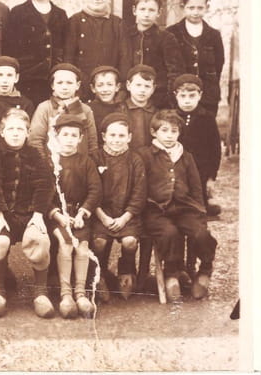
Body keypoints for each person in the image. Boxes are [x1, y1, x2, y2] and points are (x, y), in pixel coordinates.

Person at [0, 109, 56, 318]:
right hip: (3, 215)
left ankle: (40, 293)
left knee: (41, 241)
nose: (15, 133)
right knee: (0, 241)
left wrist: (38, 215)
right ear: (2, 132)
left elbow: (45, 184)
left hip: (29, 214)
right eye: (11, 129)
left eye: (20, 129)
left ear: (28, 132)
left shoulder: (35, 155)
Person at [138, 109, 217, 302]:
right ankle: (171, 273)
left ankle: (205, 269)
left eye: (174, 131)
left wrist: (200, 214)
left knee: (201, 233)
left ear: (179, 133)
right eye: (164, 131)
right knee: (169, 233)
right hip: (156, 210)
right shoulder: (145, 155)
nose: (169, 136)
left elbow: (196, 188)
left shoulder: (186, 156)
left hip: (184, 208)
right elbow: (139, 187)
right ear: (154, 132)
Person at [47, 114, 102, 319]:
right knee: (66, 244)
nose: (69, 139)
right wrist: (57, 214)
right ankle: (66, 294)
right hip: (57, 216)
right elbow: (42, 193)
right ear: (56, 136)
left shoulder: (86, 162)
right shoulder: (50, 162)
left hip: (79, 215)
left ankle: (80, 292)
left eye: (74, 135)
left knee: (82, 247)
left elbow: (95, 190)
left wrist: (82, 212)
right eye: (65, 134)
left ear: (80, 138)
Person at [91, 112, 146, 301]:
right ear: (104, 136)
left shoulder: (135, 160)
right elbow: (90, 192)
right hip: (100, 215)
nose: (116, 139)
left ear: (129, 137)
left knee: (130, 241)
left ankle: (126, 271)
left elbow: (139, 194)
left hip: (126, 216)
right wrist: (103, 217)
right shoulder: (95, 158)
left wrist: (125, 218)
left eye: (121, 135)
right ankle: (100, 274)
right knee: (99, 242)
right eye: (112, 135)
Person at [6, 0, 68, 106]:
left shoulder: (60, 14)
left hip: (53, 79)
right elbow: (9, 48)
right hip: (27, 79)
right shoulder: (18, 13)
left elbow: (64, 46)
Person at [63, 0, 126, 101]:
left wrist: (122, 89)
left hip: (108, 88)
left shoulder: (117, 23)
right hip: (81, 87)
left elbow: (124, 57)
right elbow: (68, 56)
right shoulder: (75, 21)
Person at [120, 0, 184, 108]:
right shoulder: (124, 35)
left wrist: (168, 98)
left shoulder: (166, 38)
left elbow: (174, 72)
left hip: (157, 99)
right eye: (142, 9)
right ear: (134, 10)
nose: (146, 14)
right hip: (127, 98)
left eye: (151, 10)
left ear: (159, 12)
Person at [166, 0, 225, 116]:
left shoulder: (214, 35)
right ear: (183, 7)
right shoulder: (171, 33)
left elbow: (219, 65)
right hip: (180, 98)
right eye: (191, 8)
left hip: (207, 98)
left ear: (207, 7)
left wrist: (210, 88)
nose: (195, 12)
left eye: (200, 8)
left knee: (204, 126)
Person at [173, 74, 222, 217]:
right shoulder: (171, 117)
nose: (187, 100)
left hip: (201, 169)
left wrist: (211, 177)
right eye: (183, 96)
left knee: (200, 204)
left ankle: (202, 204)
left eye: (192, 96)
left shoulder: (207, 118)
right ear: (176, 95)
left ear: (200, 95)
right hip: (178, 168)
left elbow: (215, 149)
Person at [28, 63, 97, 157]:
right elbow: (35, 140)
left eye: (69, 83)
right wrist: (44, 163)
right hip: (50, 161)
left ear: (77, 85)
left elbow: (92, 142)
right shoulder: (44, 108)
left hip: (79, 162)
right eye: (60, 83)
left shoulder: (85, 110)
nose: (64, 87)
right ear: (52, 85)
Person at [87, 65, 126, 146]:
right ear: (93, 88)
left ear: (117, 87)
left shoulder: (122, 108)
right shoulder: (88, 109)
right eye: (100, 85)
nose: (105, 89)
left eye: (109, 84)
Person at [124, 64, 157, 150]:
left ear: (153, 89)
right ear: (128, 85)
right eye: (138, 85)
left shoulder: (156, 113)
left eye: (147, 86)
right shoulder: (120, 110)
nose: (142, 90)